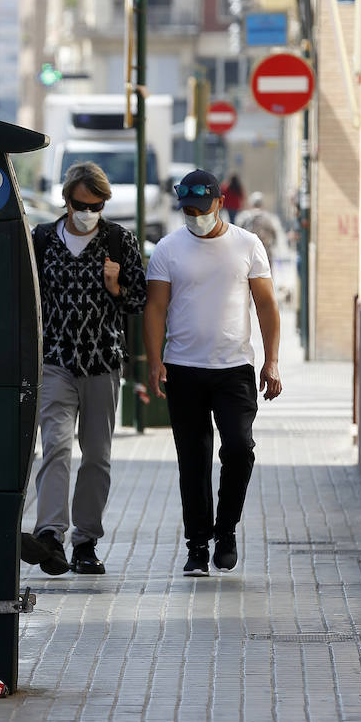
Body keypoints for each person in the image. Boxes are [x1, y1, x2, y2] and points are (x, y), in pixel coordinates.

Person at [143, 169, 283, 577]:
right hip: (184, 369)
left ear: (220, 203)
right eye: (188, 209)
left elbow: (267, 305)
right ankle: (197, 545)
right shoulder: (168, 249)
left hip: (233, 368)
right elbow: (155, 307)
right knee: (194, 459)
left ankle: (226, 531)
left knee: (239, 449)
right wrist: (155, 360)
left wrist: (271, 360)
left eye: (202, 209)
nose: (195, 216)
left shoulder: (247, 244)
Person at [19, 161, 147, 576]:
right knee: (55, 444)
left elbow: (138, 302)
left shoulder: (118, 241)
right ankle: (50, 536)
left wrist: (116, 286)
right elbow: (28, 300)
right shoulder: (42, 239)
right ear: (67, 200)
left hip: (102, 363)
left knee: (97, 456)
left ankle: (86, 542)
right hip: (55, 360)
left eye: (96, 203)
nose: (88, 210)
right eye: (80, 203)